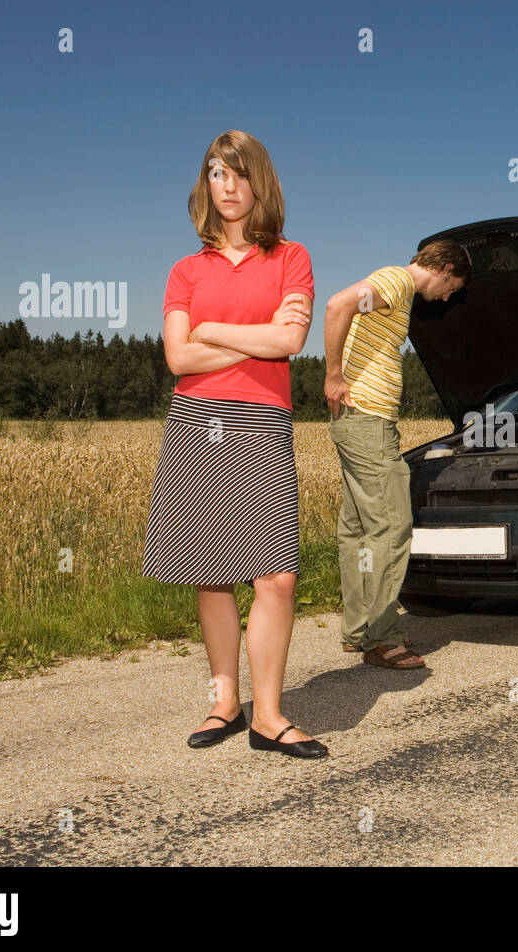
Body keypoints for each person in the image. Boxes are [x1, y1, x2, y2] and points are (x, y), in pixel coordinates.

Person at [143, 130, 327, 758]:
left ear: (260, 182)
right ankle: (226, 702)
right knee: (211, 573)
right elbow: (176, 356)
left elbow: (290, 343)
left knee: (275, 579)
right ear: (206, 184)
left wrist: (214, 328)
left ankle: (268, 716)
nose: (228, 186)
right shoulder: (184, 269)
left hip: (263, 420)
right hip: (196, 418)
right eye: (216, 174)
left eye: (239, 174)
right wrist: (255, 332)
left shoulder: (291, 258)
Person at [323, 241, 470, 668]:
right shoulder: (397, 281)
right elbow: (337, 306)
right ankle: (383, 638)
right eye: (452, 288)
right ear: (443, 269)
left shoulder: (395, 287)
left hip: (358, 421)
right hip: (367, 420)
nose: (447, 297)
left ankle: (358, 631)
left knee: (358, 529)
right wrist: (333, 375)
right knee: (392, 525)